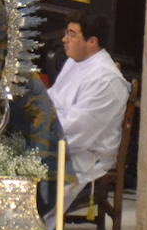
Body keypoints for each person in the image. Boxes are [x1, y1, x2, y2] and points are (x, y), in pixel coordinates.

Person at [48, 12, 131, 187]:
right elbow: (52, 98)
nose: (64, 39)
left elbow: (77, 132)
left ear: (92, 41)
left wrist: (38, 131)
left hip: (85, 159)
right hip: (60, 138)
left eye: (72, 34)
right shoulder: (75, 61)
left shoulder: (106, 81)